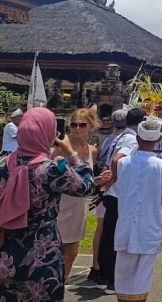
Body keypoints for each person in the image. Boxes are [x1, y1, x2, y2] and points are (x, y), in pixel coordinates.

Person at [0, 107, 103, 301]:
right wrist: (72, 154)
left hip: (2, 252)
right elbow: (87, 187)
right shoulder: (52, 171)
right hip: (41, 255)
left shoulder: (1, 164)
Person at [114, 117, 162, 302]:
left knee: (123, 274)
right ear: (157, 140)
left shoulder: (123, 164)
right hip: (150, 224)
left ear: (138, 139)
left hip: (128, 224)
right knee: (142, 276)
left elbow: (120, 191)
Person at [98, 108, 145, 293]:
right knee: (116, 236)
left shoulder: (119, 136)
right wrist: (113, 180)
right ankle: (111, 279)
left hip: (113, 193)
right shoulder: (131, 139)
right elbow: (117, 159)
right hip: (118, 193)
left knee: (109, 234)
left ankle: (104, 275)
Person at [55, 107, 99, 281]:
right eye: (74, 124)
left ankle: (62, 284)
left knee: (72, 251)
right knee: (56, 248)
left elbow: (87, 180)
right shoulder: (61, 147)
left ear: (91, 127)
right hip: (60, 202)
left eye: (82, 125)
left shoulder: (92, 151)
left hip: (79, 205)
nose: (77, 128)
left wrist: (100, 181)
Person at [89, 108, 127, 285]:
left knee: (100, 228)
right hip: (108, 184)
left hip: (102, 183)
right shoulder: (124, 140)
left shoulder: (107, 140)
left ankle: (96, 265)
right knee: (106, 229)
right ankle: (101, 268)